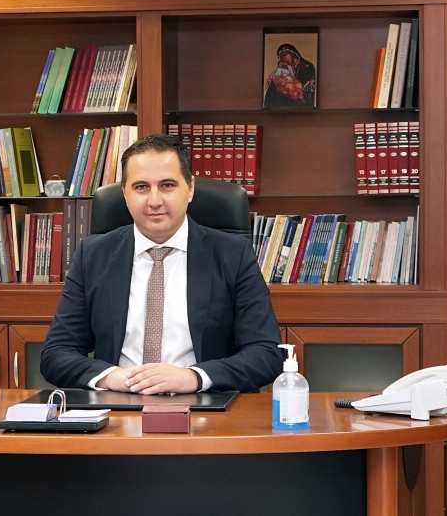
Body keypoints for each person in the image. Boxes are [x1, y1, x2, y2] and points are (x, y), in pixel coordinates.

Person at [40, 134, 283, 394]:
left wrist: (195, 377)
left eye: (167, 185)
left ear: (190, 189)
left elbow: (266, 353)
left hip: (204, 405)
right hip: (118, 404)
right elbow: (56, 353)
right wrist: (111, 377)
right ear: (124, 193)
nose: (154, 201)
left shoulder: (233, 254)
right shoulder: (93, 255)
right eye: (141, 187)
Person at [263, 43, 316, 109]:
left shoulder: (306, 67)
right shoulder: (282, 69)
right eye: (281, 56)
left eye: (285, 54)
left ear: (293, 53)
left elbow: (308, 90)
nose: (284, 57)